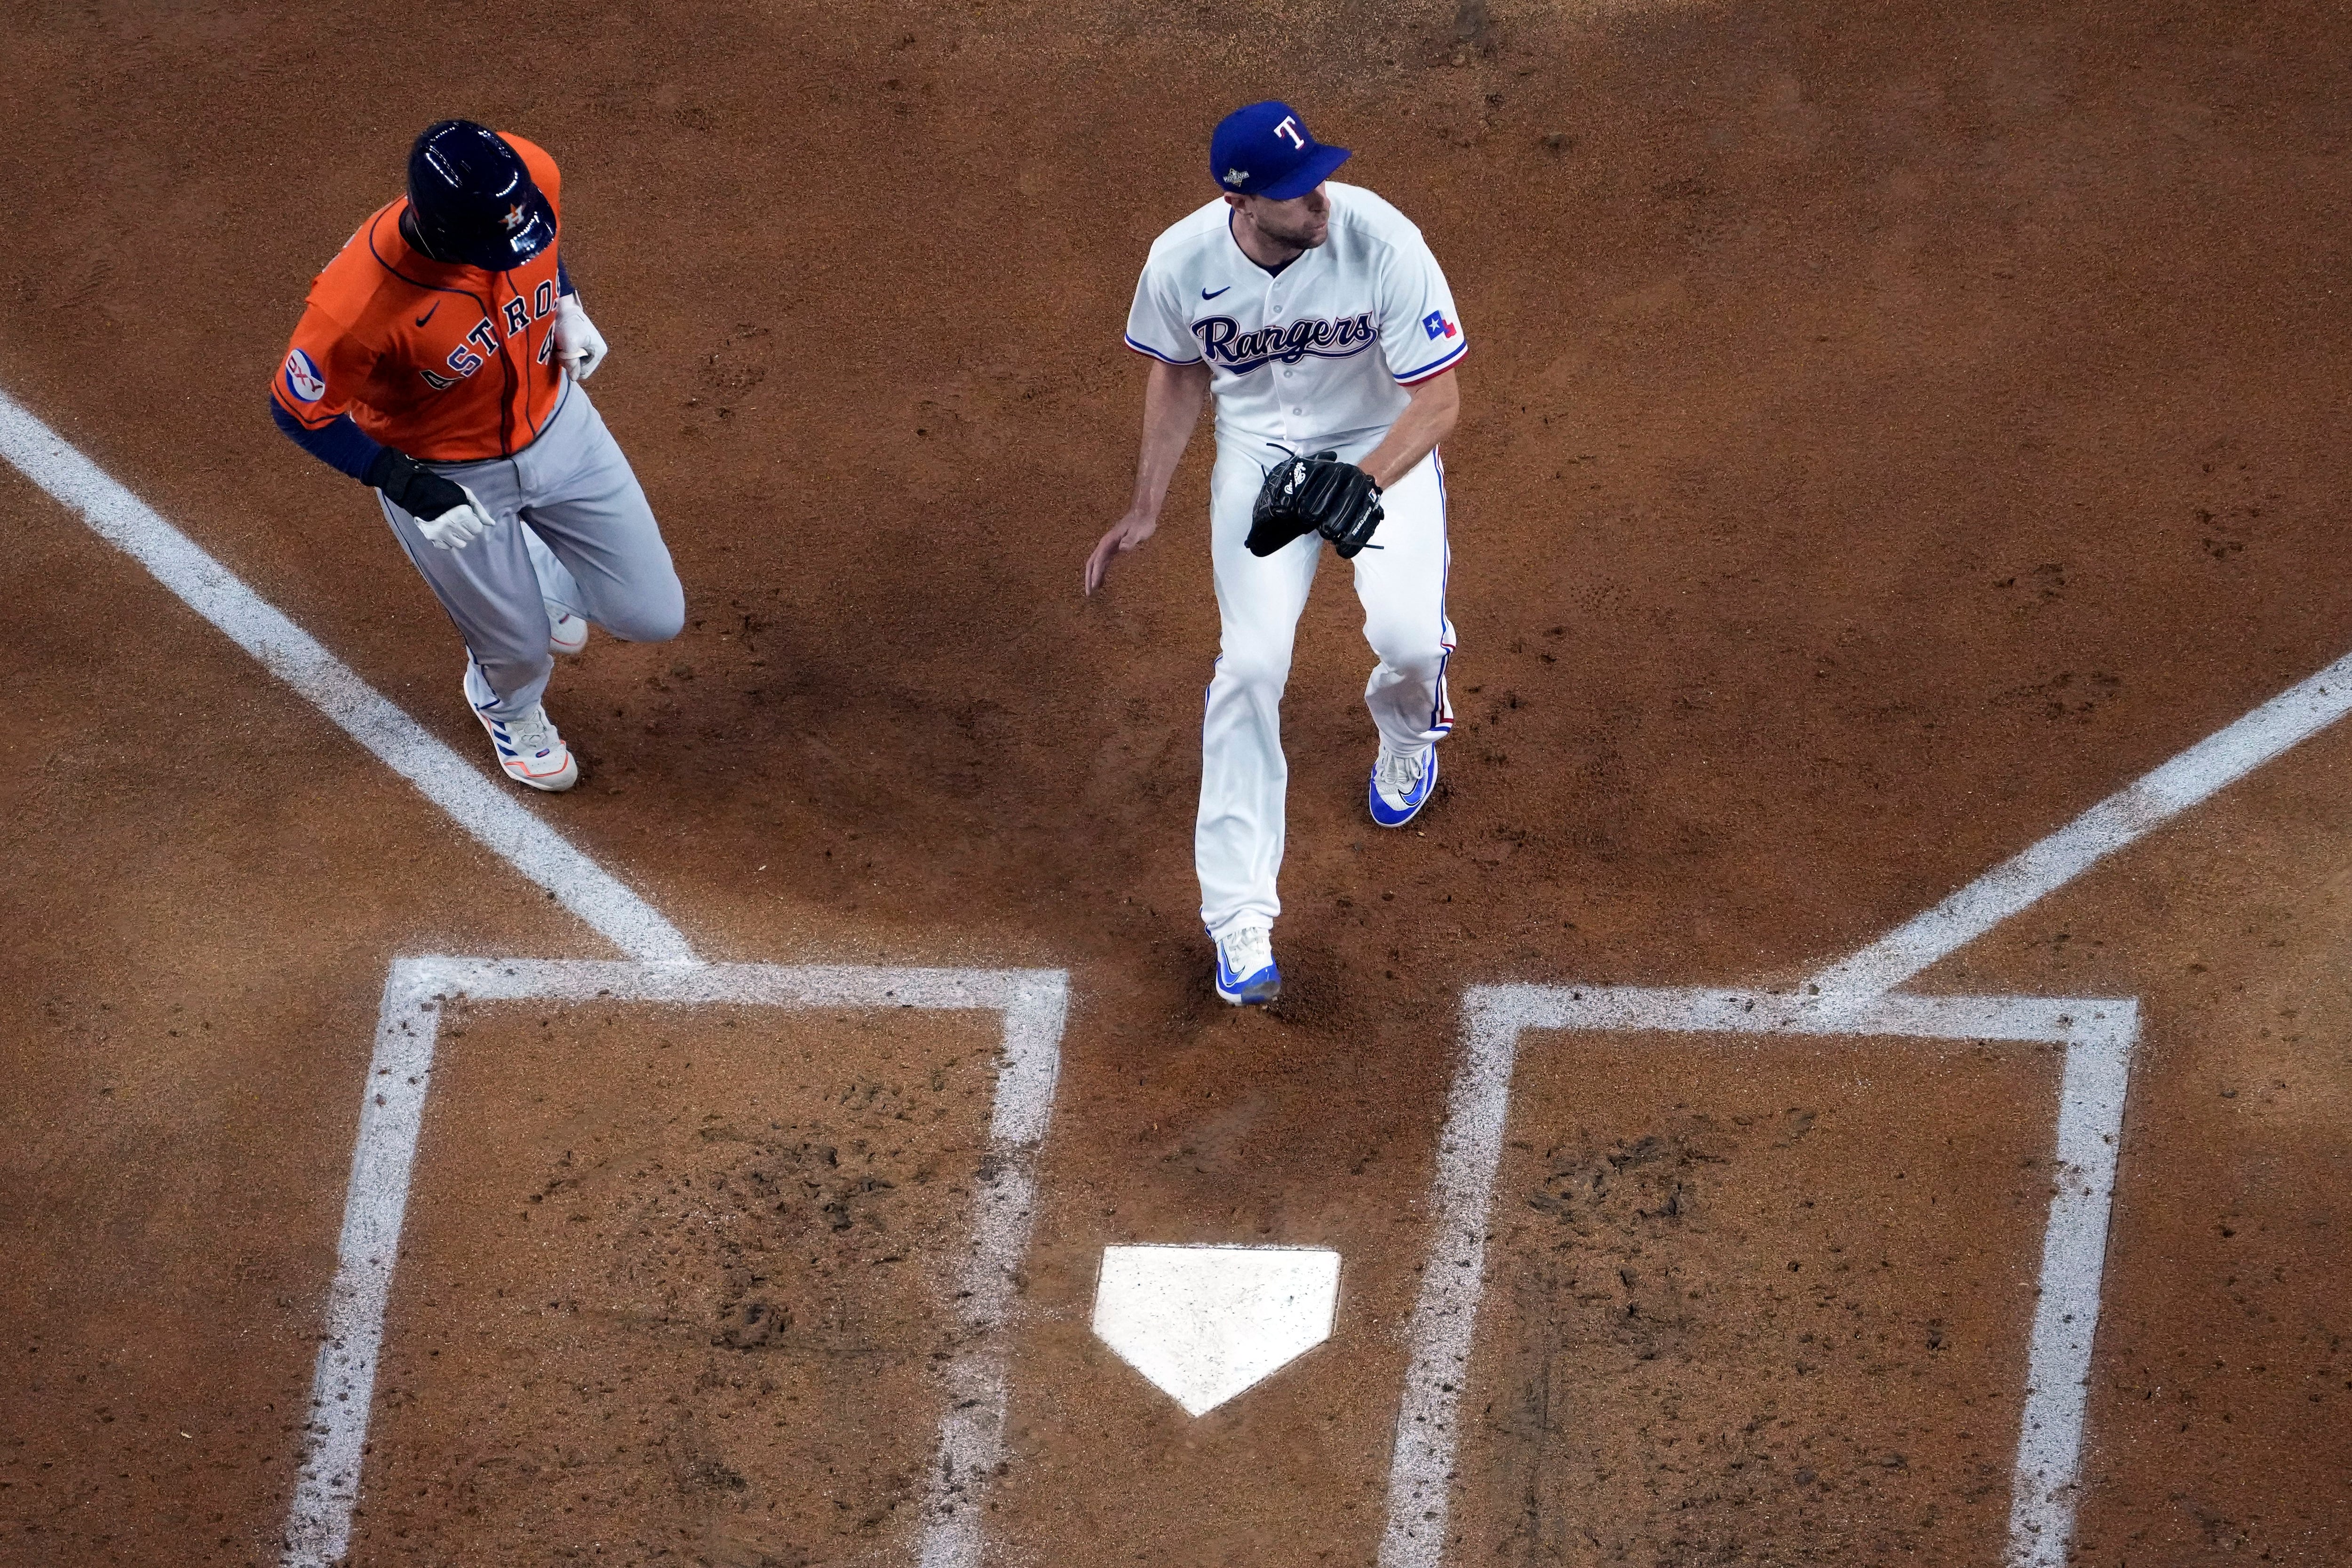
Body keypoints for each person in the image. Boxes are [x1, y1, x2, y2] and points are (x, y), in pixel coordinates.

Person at [1086, 101, 1467, 1006]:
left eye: (1318, 176)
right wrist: (1146, 505)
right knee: (1250, 667)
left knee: (1412, 642)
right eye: (1295, 192)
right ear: (1241, 199)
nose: (1319, 199)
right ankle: (1238, 919)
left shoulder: (1381, 238)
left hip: (1386, 443)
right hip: (1259, 458)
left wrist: (1364, 480)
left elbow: (1440, 400)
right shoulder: (1180, 262)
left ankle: (1409, 735)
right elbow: (1178, 370)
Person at [268, 119, 684, 791]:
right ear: (443, 229)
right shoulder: (357, 308)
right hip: (450, 478)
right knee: (517, 649)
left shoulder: (527, 173)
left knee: (653, 614)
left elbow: (536, 246)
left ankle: (534, 574)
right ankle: (506, 708)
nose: (511, 247)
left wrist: (569, 302)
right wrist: (407, 484)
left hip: (560, 425)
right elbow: (297, 409)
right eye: (492, 242)